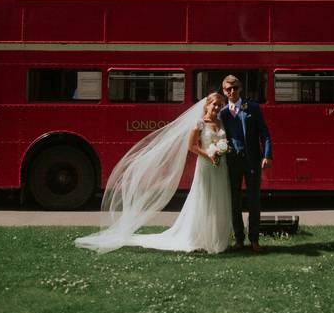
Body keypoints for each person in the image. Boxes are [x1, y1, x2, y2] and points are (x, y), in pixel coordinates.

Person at [75, 92, 232, 254]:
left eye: (220, 105)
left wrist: (221, 151)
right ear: (207, 105)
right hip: (206, 166)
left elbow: (222, 141)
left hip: (220, 167)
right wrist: (210, 155)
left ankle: (217, 238)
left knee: (218, 199)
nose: (217, 108)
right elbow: (191, 146)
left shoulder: (220, 123)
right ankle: (200, 238)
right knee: (204, 200)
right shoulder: (199, 124)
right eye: (214, 104)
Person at [218, 74, 272, 253]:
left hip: (252, 161)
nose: (232, 91)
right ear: (224, 91)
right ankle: (239, 239)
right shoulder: (223, 113)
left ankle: (255, 239)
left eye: (235, 88)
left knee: (254, 200)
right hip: (232, 162)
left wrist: (267, 155)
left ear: (240, 89)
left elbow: (264, 134)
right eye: (228, 89)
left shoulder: (253, 108)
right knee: (235, 201)